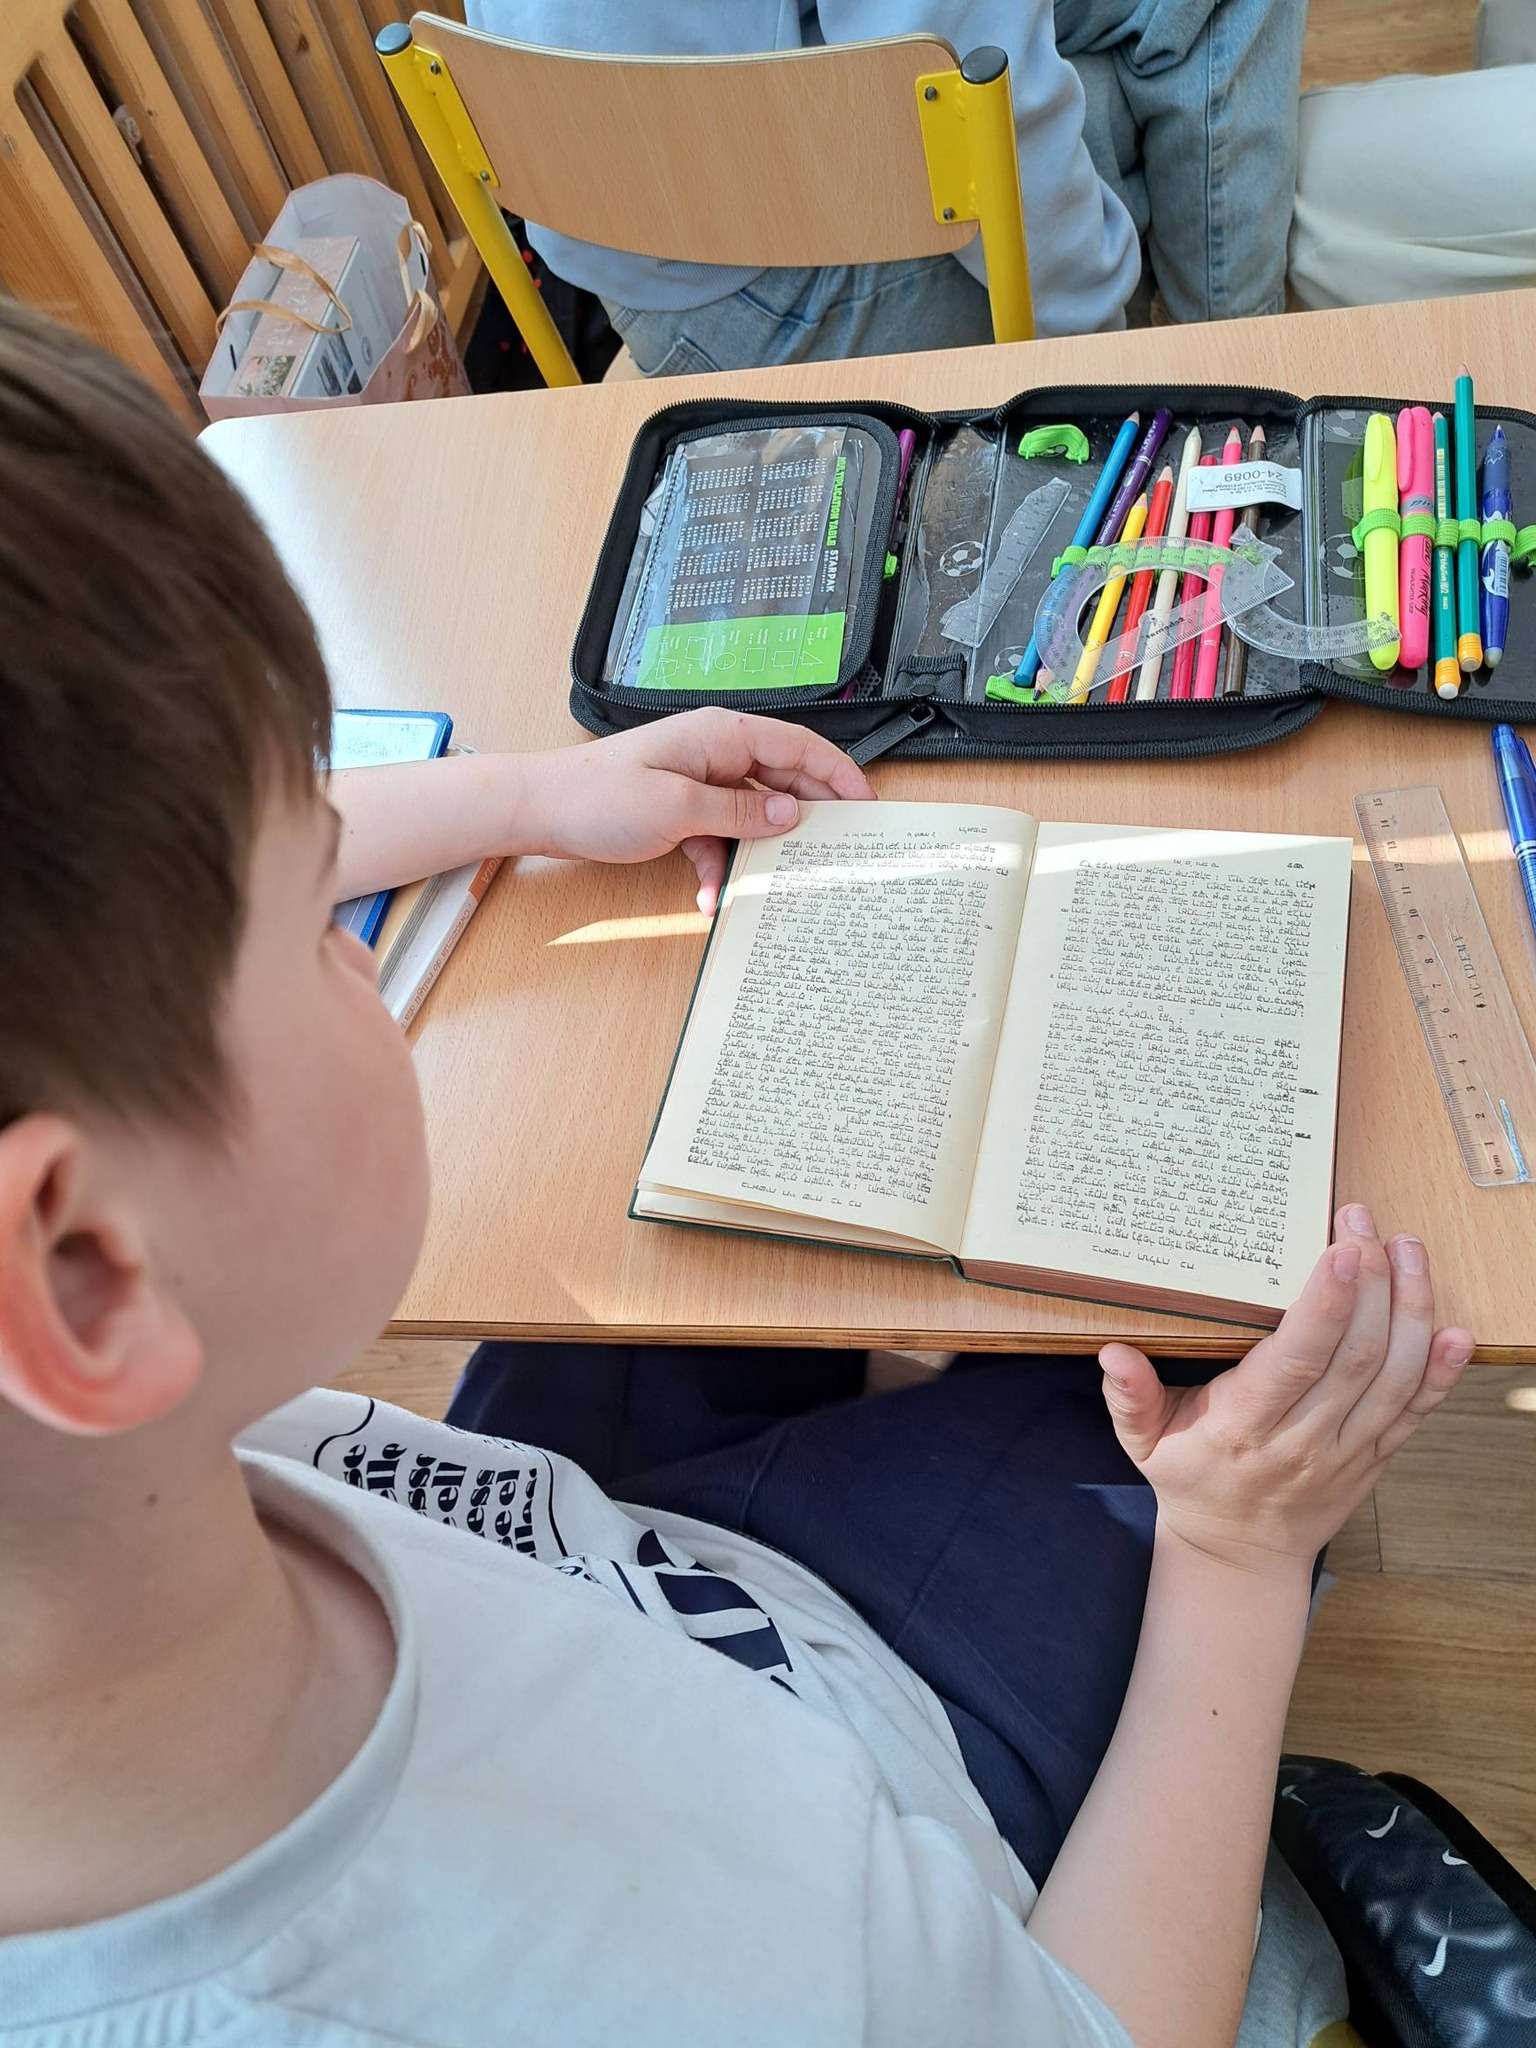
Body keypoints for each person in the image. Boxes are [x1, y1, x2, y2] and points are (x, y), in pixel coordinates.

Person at [0, 298, 1473, 2048]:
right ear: (82, 1272)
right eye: (321, 924)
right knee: (1229, 1329)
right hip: (897, 1741)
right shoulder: (667, 1984)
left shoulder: (83, 1492)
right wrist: (1235, 1558)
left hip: (562, 1548)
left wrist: (536, 796)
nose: (350, 917)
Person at [464, 0, 1308, 368]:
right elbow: (974, 89)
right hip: (768, 302)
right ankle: (1232, 390)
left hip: (609, 249)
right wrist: (1098, 353)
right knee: (1126, 99)